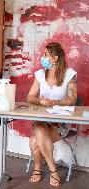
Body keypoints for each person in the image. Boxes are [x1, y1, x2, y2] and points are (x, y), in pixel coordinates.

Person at [27, 42, 77, 187]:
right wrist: (40, 101)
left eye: (46, 55)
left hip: (60, 122)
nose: (42, 57)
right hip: (41, 119)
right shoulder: (40, 74)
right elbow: (30, 97)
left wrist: (54, 102)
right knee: (40, 130)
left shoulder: (70, 74)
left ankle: (38, 168)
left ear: (55, 58)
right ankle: (53, 170)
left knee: (34, 141)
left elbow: (72, 99)